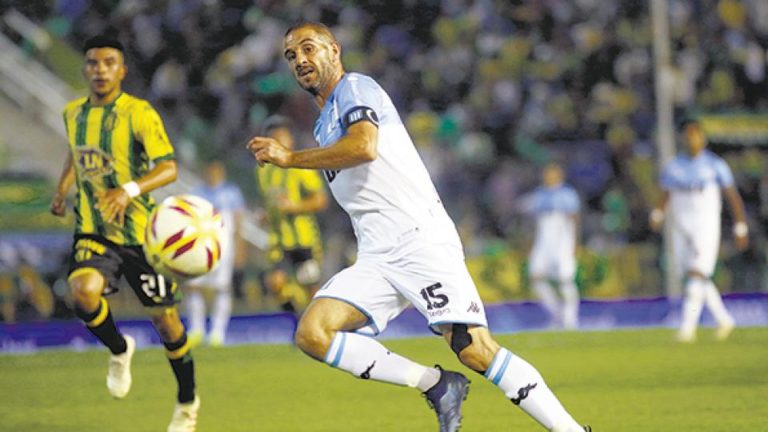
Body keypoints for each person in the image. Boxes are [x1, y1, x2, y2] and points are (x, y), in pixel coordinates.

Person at [247, 22, 589, 432]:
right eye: (291, 55)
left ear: (334, 50)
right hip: (377, 255)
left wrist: (290, 158)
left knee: (474, 349)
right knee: (313, 333)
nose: (300, 60)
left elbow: (365, 147)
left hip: (418, 240)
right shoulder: (323, 126)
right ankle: (436, 384)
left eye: (308, 48)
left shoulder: (355, 87)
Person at [50, 35, 199, 432]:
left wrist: (128, 190)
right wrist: (63, 187)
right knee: (81, 292)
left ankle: (187, 401)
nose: (100, 70)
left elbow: (168, 167)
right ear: (85, 69)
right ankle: (119, 349)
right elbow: (75, 151)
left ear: (122, 70)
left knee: (167, 325)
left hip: (140, 235)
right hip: (93, 230)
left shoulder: (139, 113)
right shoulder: (72, 113)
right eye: (94, 63)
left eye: (108, 63)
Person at [650, 117, 748, 343]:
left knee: (697, 272)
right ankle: (724, 320)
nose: (692, 139)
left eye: (696, 134)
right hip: (680, 226)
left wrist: (740, 225)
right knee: (693, 276)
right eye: (688, 134)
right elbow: (665, 194)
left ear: (702, 138)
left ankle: (687, 328)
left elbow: (732, 197)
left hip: (706, 225)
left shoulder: (715, 165)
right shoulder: (674, 167)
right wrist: (657, 213)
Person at [255, 115, 328, 313]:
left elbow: (321, 200)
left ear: (290, 140)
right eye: (273, 139)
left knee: (311, 288)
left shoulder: (300, 167)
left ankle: (320, 326)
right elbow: (271, 201)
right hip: (278, 240)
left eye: (281, 138)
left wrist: (294, 206)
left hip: (304, 240)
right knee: (275, 282)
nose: (277, 143)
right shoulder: (263, 171)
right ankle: (297, 319)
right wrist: (266, 214)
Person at [184, 160, 246, 347]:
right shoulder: (197, 193)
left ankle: (218, 333)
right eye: (210, 171)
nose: (213, 175)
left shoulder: (232, 193)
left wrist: (240, 247)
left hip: (225, 248)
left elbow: (238, 221)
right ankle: (196, 330)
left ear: (222, 173)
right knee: (193, 286)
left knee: (222, 288)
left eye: (217, 171)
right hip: (200, 247)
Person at [524, 163, 581, 330]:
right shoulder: (539, 194)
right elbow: (534, 222)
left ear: (559, 175)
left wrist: (575, 242)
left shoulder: (567, 194)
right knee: (535, 277)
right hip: (543, 239)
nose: (548, 177)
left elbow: (574, 218)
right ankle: (557, 315)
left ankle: (571, 320)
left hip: (562, 237)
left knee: (565, 278)